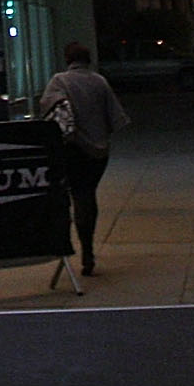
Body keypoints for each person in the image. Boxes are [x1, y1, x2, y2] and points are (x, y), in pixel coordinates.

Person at [35, 42, 131, 275]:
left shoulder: (60, 82)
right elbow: (116, 119)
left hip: (72, 148)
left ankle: (80, 246)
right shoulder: (100, 82)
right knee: (88, 194)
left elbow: (45, 110)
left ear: (68, 59)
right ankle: (88, 247)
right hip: (98, 152)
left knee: (76, 195)